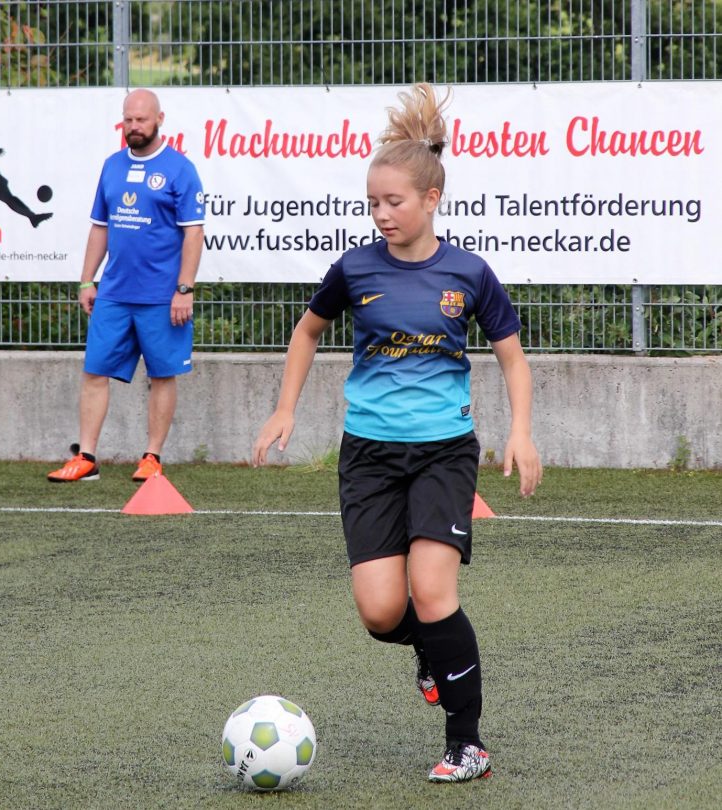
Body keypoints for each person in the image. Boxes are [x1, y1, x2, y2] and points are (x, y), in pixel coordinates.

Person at [252, 83, 542, 783]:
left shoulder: (469, 273)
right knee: (382, 612)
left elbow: (512, 357)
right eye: (373, 204)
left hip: (444, 451)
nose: (382, 215)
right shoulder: (355, 269)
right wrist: (285, 407)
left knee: (433, 591)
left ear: (430, 199)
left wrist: (522, 432)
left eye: (394, 202)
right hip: (369, 455)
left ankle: (467, 744)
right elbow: (307, 331)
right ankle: (431, 651)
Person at [48, 89, 205, 483]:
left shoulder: (180, 169)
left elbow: (194, 233)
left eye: (142, 119)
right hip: (114, 294)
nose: (134, 126)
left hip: (162, 297)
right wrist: (88, 279)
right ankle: (86, 458)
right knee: (94, 371)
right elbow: (100, 227)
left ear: (159, 119)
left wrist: (184, 289)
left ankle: (152, 458)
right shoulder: (112, 166)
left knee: (162, 374)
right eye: (129, 120)